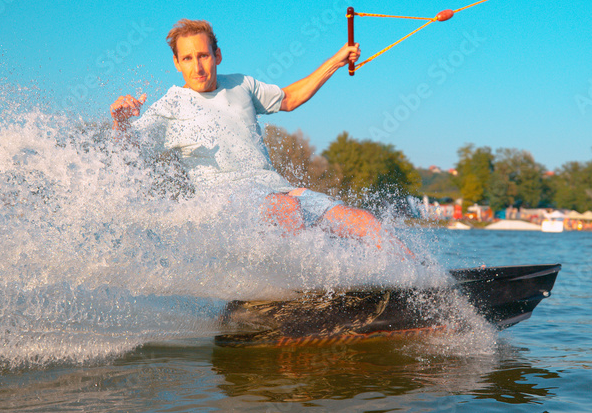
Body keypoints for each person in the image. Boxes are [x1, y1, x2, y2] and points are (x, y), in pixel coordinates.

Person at [110, 19, 410, 254]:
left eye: (203, 55)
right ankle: (304, 291)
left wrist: (336, 61)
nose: (197, 66)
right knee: (286, 210)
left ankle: (424, 281)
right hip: (222, 202)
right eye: (187, 58)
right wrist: (120, 123)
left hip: (274, 188)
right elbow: (127, 148)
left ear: (217, 55)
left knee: (362, 222)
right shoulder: (171, 104)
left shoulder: (241, 84)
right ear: (177, 63)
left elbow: (289, 99)